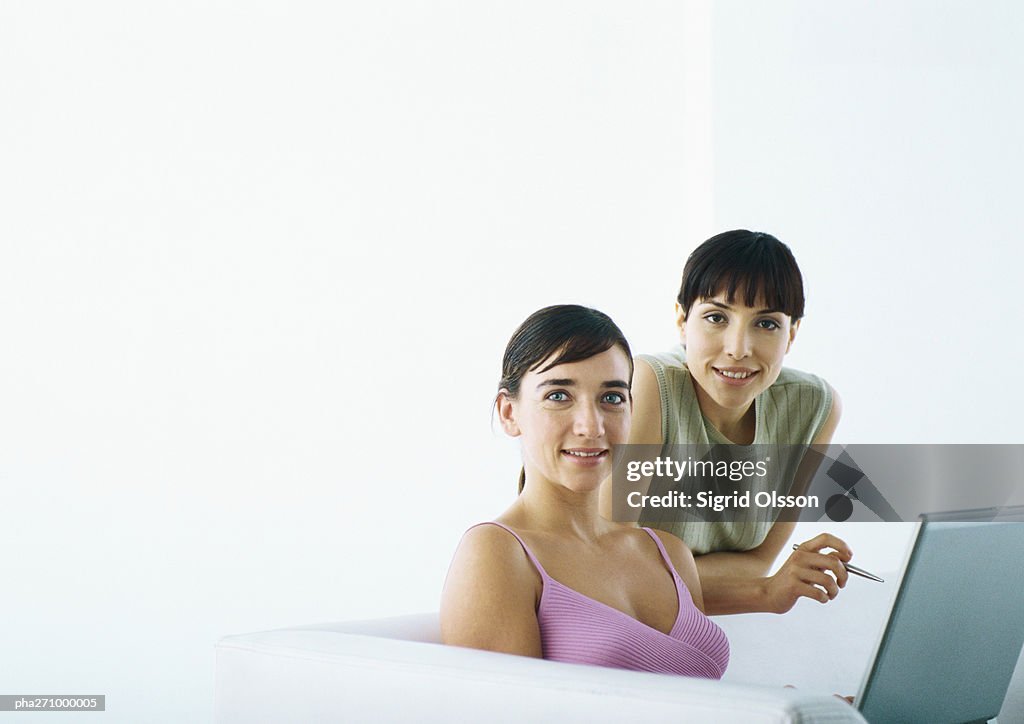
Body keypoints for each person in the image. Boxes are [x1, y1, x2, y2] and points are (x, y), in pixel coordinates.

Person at [440, 304, 740, 677]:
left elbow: (705, 702)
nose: (590, 426)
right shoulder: (496, 553)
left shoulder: (669, 554)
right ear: (508, 413)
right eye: (559, 396)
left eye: (611, 398)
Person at [606, 229, 852, 615]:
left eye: (766, 324)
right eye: (716, 317)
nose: (739, 348)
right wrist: (760, 592)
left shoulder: (813, 407)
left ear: (792, 334)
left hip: (697, 631)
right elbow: (608, 567)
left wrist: (758, 582)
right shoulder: (650, 383)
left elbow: (757, 564)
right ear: (682, 321)